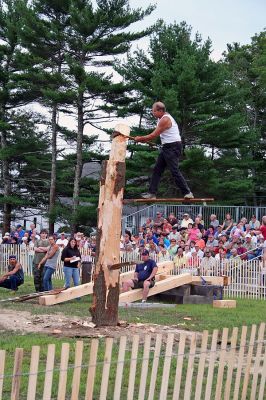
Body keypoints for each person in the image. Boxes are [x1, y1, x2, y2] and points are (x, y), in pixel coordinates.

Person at [135, 102, 194, 199]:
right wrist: (145, 140)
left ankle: (187, 192)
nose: (152, 113)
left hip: (173, 147)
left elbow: (153, 135)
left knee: (174, 170)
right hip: (167, 147)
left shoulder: (165, 119)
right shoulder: (161, 119)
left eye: (154, 111)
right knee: (157, 170)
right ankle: (152, 193)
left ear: (160, 111)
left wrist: (140, 138)